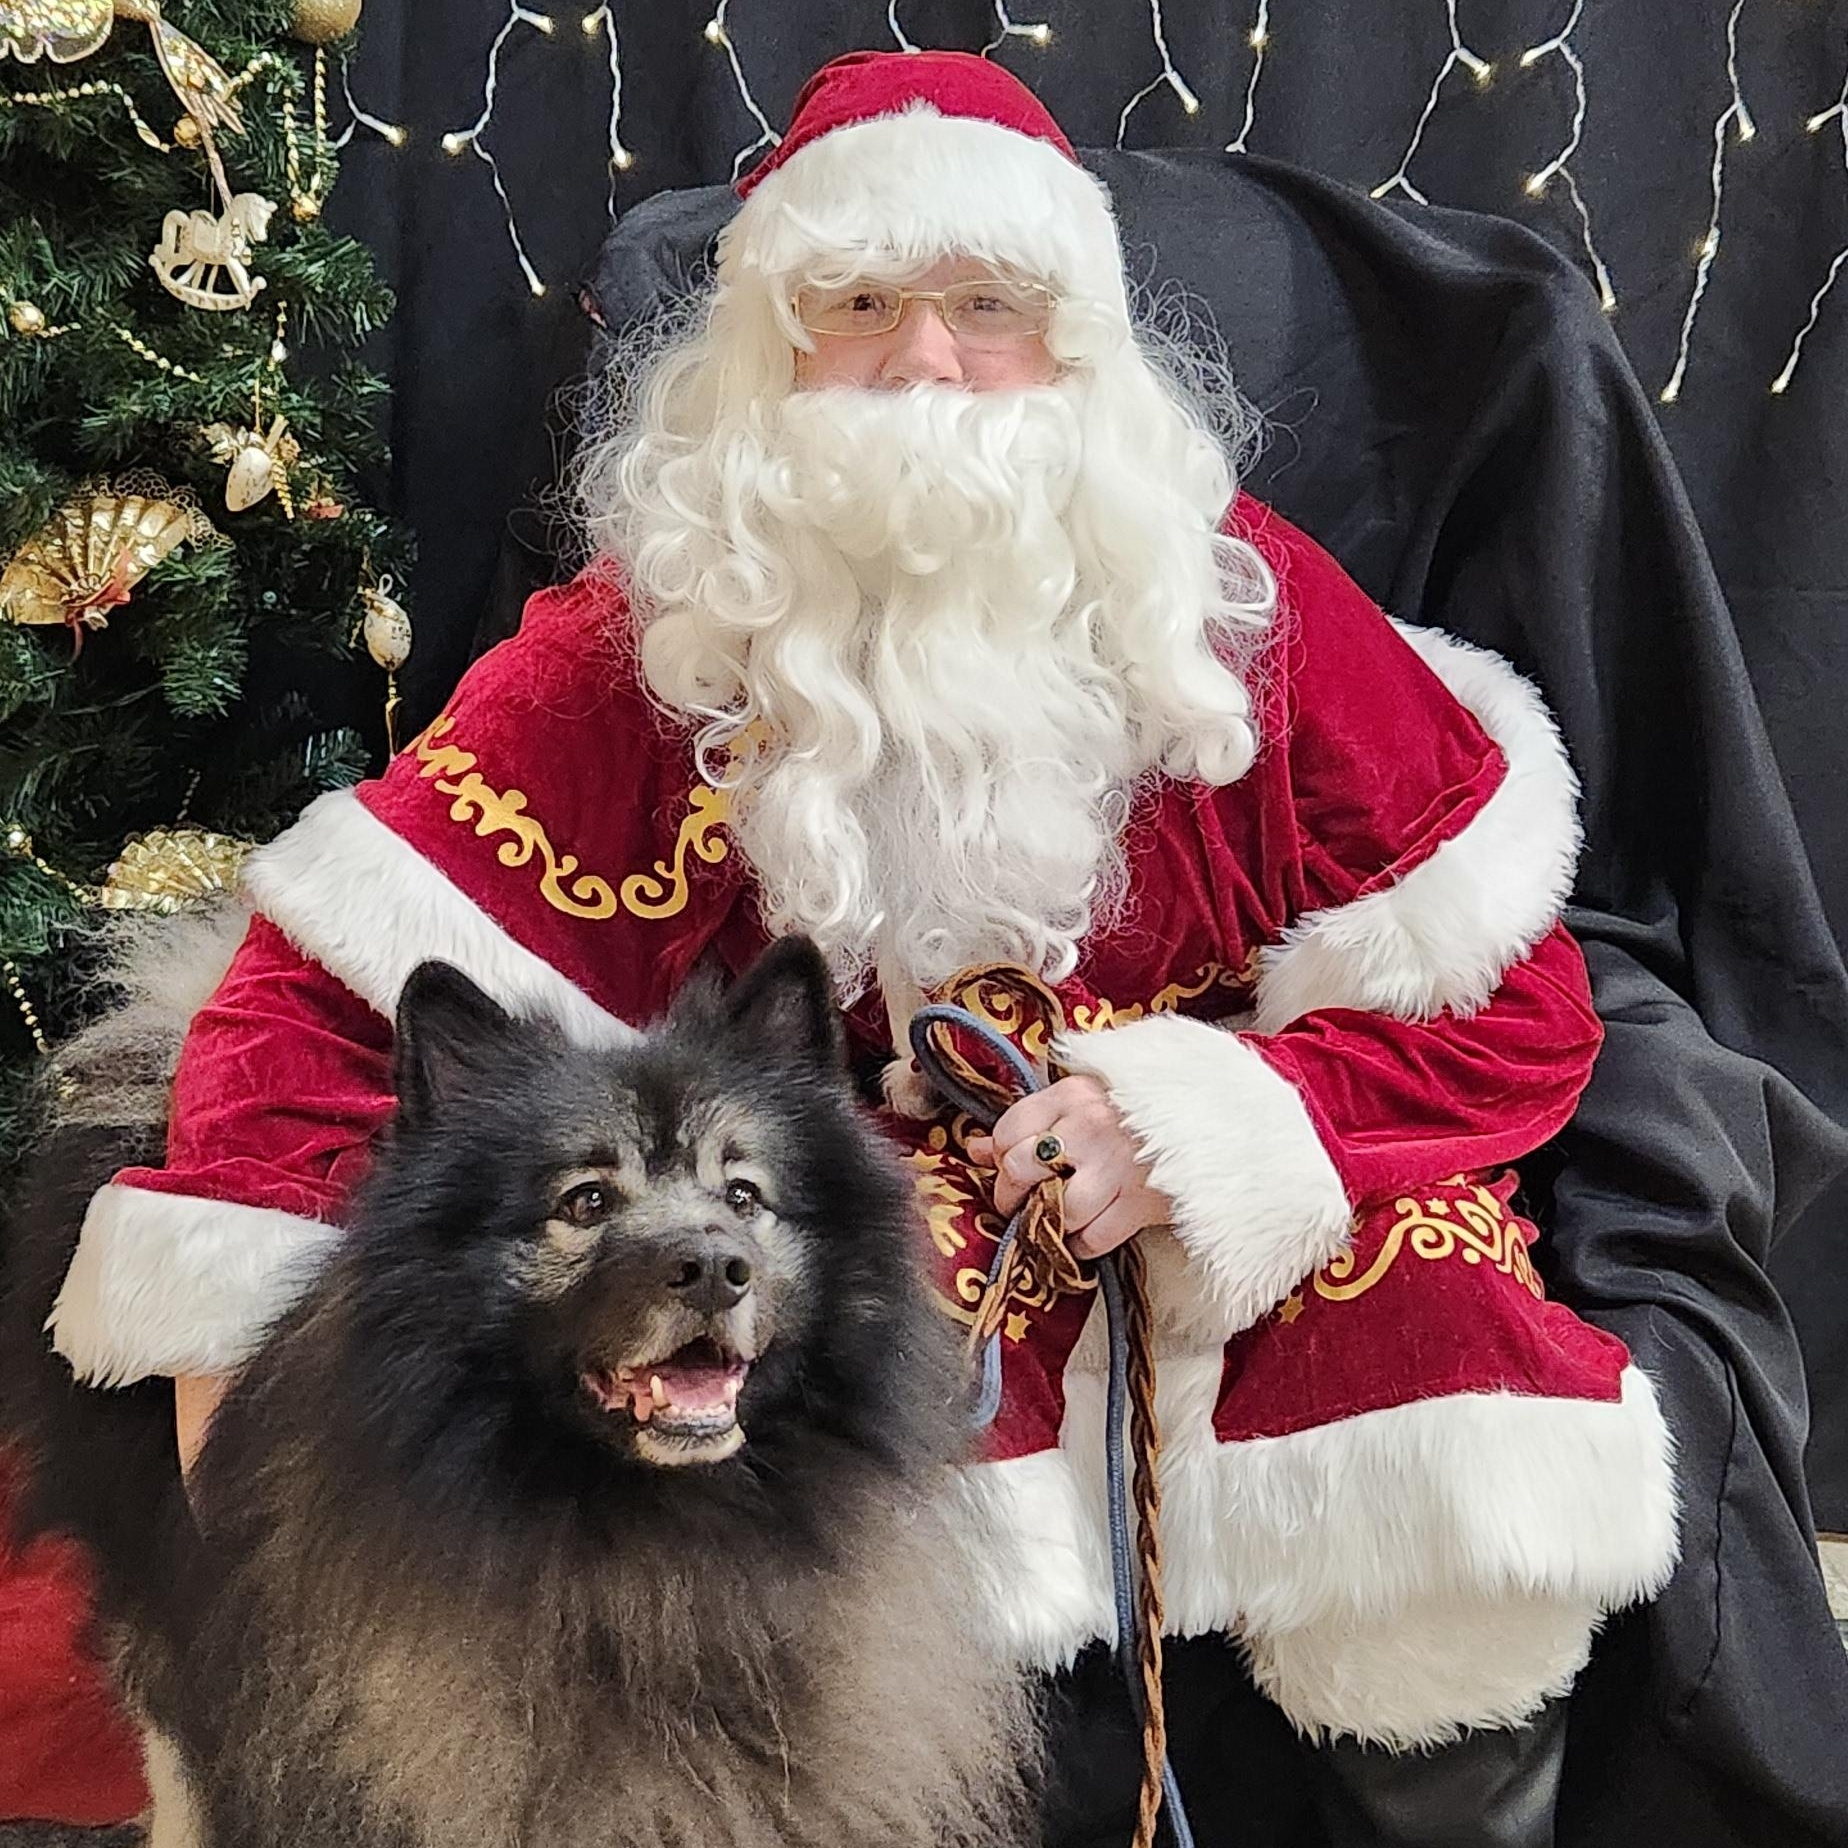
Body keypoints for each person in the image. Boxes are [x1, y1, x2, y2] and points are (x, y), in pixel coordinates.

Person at [46, 51, 1678, 1847]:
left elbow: (1515, 1000)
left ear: (1079, 353)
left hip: (1246, 1188)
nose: (926, 361)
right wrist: (234, 1379)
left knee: (1451, 1446)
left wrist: (1220, 1122)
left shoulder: (1247, 612)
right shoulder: (645, 642)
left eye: (989, 307)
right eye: (861, 304)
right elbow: (312, 995)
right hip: (827, 1201)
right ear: (769, 346)